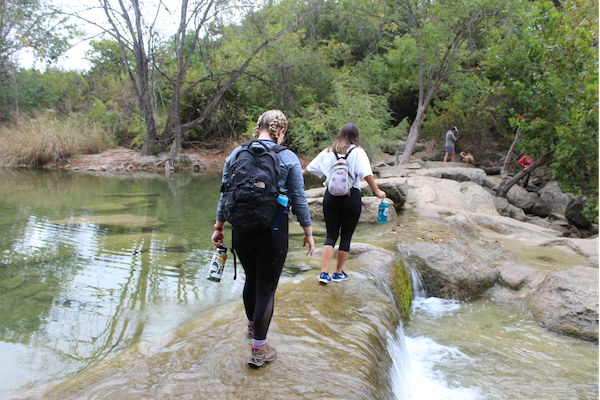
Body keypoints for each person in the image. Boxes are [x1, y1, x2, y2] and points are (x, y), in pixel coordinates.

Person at [211, 110, 315, 368]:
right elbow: (299, 198)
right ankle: (259, 350)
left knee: (252, 279)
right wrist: (308, 231)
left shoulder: (236, 154)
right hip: (274, 229)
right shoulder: (288, 157)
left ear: (259, 129)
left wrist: (219, 226)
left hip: (242, 230)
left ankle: (251, 328)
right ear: (280, 131)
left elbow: (225, 194)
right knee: (266, 287)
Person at [305, 123, 386, 284]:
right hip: (351, 196)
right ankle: (338, 273)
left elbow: (310, 168)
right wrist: (377, 191)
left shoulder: (329, 151)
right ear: (356, 136)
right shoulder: (358, 152)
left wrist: (297, 172)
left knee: (330, 235)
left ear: (340, 134)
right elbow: (367, 174)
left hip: (331, 197)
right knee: (346, 236)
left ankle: (323, 273)